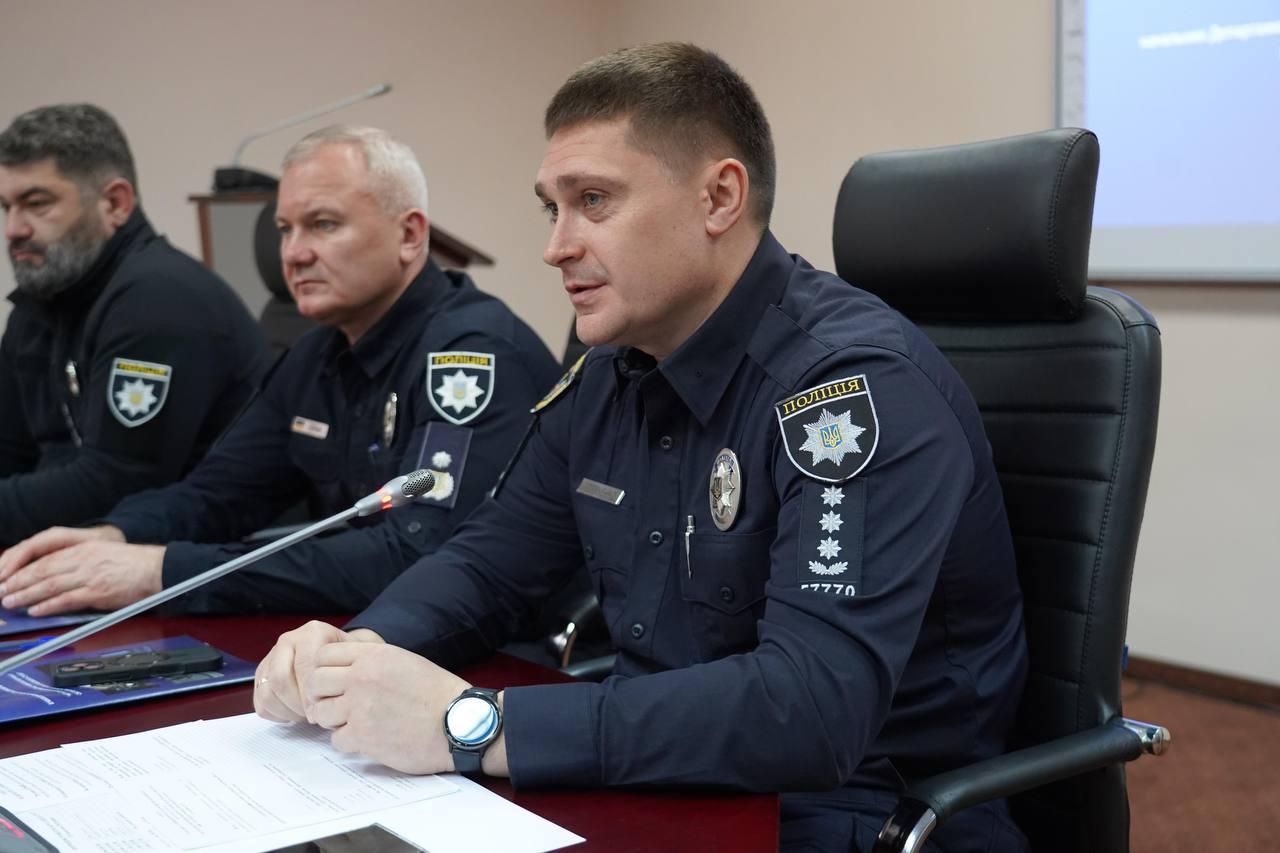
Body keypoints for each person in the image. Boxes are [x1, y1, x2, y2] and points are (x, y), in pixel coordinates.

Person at [250, 45, 1029, 852]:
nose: (557, 245)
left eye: (593, 200)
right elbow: (489, 563)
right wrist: (357, 654)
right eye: (552, 208)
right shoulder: (610, 373)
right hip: (658, 784)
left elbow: (810, 708)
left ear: (718, 197)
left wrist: (471, 724)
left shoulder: (850, 391)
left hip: (853, 814)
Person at [0, 125, 562, 618]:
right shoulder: (316, 355)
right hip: (370, 630)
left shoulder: (470, 357)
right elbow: (219, 494)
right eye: (285, 229)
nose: (293, 253)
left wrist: (163, 571)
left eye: (323, 225)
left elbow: (418, 555)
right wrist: (115, 535)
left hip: (509, 653)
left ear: (410, 235)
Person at [0, 104, 269, 549]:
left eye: (36, 204)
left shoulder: (160, 300)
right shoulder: (38, 308)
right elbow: (10, 454)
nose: (13, 229)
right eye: (6, 207)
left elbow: (115, 483)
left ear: (115, 203)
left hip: (196, 558)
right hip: (81, 554)